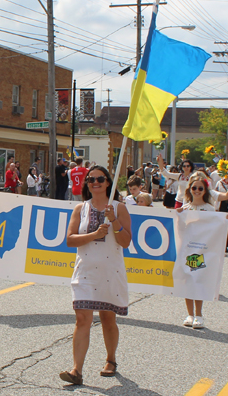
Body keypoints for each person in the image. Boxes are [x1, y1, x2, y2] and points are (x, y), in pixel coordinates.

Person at [60, 165, 131, 385]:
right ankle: (76, 370)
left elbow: (126, 242)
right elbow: (70, 239)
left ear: (108, 182)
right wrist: (94, 234)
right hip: (85, 271)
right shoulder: (80, 208)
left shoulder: (119, 208)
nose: (95, 182)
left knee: (108, 318)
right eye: (91, 180)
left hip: (111, 271)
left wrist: (114, 221)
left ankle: (111, 360)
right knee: (82, 319)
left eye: (100, 179)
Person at [177, 173, 228, 329]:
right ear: (190, 190)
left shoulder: (209, 208)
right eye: (194, 188)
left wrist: (226, 220)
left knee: (198, 280)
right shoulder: (185, 208)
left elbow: (215, 227)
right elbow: (180, 230)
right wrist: (179, 217)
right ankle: (189, 314)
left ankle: (199, 315)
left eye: (200, 188)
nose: (197, 190)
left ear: (205, 190)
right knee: (187, 280)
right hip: (187, 249)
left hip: (202, 251)